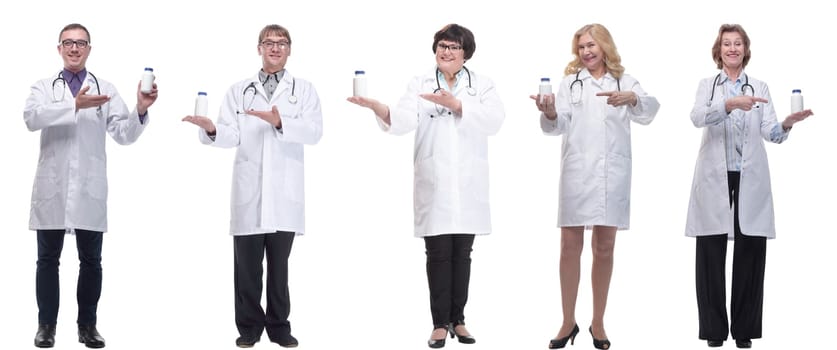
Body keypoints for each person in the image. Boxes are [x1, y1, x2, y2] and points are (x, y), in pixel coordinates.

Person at [347, 23, 504, 349]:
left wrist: (458, 105)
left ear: (465, 53)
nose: (446, 52)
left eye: (453, 47)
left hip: (468, 184)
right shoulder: (420, 84)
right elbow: (403, 119)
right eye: (442, 46)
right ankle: (438, 324)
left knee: (463, 253)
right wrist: (380, 108)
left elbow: (495, 120)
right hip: (434, 183)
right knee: (437, 254)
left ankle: (458, 320)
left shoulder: (482, 86)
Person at [182, 24, 322, 349]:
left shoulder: (302, 90)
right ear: (258, 48)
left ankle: (279, 328)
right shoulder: (238, 90)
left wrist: (280, 121)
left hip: (284, 195)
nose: (275, 48)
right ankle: (248, 328)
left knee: (279, 268)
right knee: (246, 269)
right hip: (249, 193)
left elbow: (315, 132)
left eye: (281, 43)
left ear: (290, 49)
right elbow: (232, 134)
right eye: (269, 43)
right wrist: (212, 128)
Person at [23, 23, 158, 349]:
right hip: (53, 189)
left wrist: (139, 109)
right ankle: (46, 327)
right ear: (59, 48)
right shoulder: (45, 87)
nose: (74, 48)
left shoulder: (105, 88)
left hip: (88, 190)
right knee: (47, 260)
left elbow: (124, 134)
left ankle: (88, 326)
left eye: (80, 43)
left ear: (89, 49)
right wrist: (73, 106)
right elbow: (31, 118)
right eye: (68, 43)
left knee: (92, 261)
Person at [531, 23, 659, 350]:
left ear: (604, 46)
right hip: (577, 174)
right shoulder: (569, 83)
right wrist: (548, 112)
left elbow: (649, 110)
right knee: (568, 248)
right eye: (581, 47)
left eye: (592, 45)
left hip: (611, 175)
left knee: (604, 248)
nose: (586, 52)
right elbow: (556, 125)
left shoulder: (624, 80)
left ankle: (598, 322)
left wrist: (632, 99)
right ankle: (567, 320)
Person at [686, 24, 813, 349]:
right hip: (715, 176)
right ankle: (714, 331)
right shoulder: (708, 86)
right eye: (727, 44)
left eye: (737, 44)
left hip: (749, 176)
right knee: (710, 254)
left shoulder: (760, 87)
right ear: (719, 50)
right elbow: (697, 117)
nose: (732, 49)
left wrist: (786, 123)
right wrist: (729, 105)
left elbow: (770, 131)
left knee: (751, 252)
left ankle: (744, 331)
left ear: (745, 49)